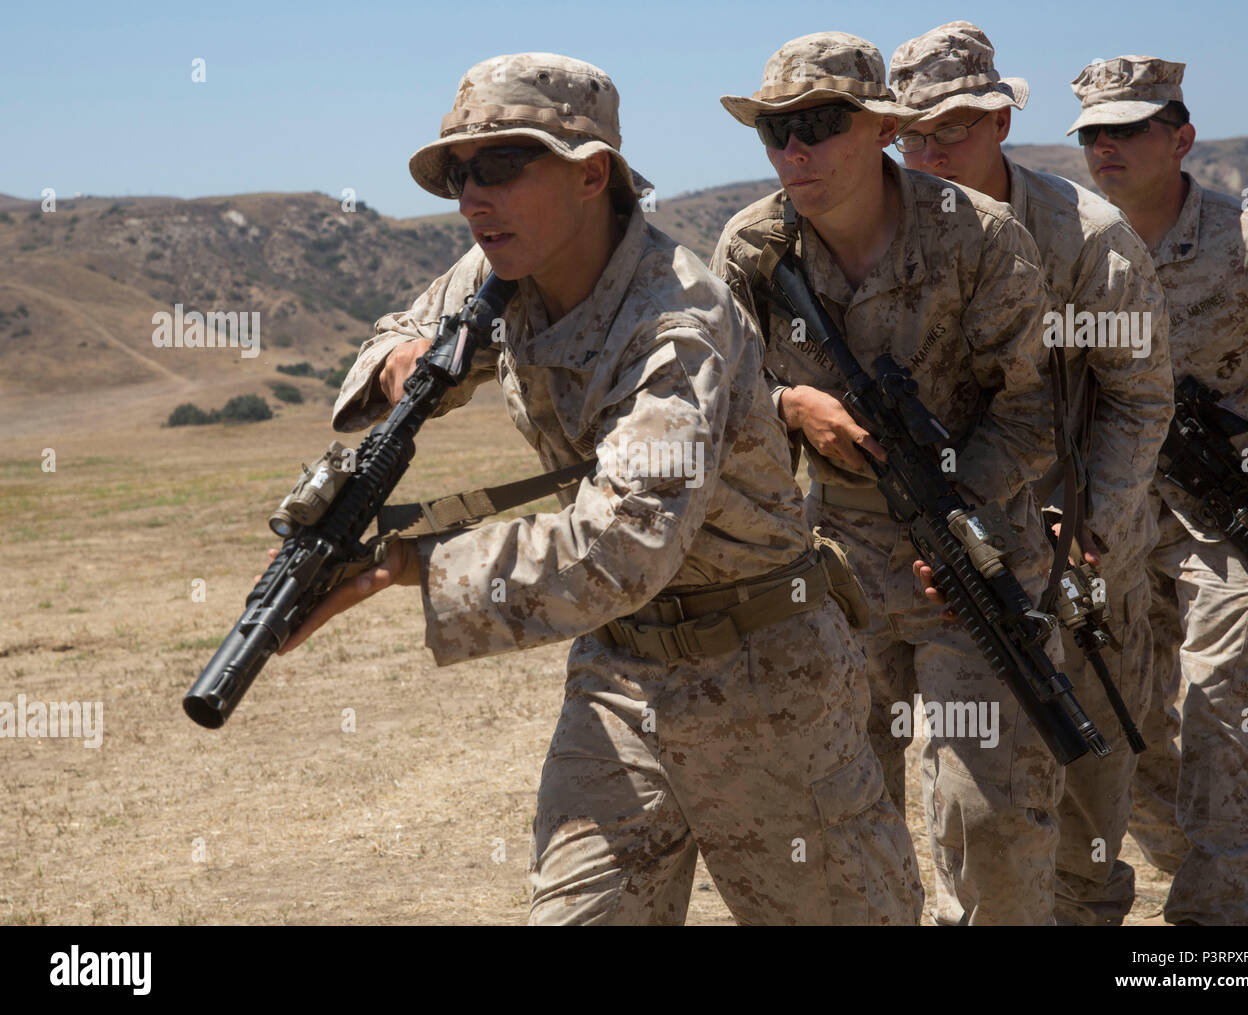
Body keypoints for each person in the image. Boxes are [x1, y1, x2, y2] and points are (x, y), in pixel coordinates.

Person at [275, 51, 922, 926]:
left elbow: (620, 548)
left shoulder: (675, 324)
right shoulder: (502, 269)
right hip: (622, 677)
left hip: (769, 682)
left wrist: (408, 567)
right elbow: (407, 326)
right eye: (458, 174)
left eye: (502, 166)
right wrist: (396, 363)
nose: (472, 198)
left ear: (592, 176)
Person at [711, 31, 1066, 925]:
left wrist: (955, 512)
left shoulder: (982, 238)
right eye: (774, 133)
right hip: (832, 568)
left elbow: (1033, 407)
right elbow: (714, 402)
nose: (793, 153)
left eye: (819, 127)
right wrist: (789, 401)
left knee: (994, 823)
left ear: (879, 128)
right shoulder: (753, 249)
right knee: (836, 822)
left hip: (974, 560)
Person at [889, 21, 1174, 927]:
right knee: (966, 794)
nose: (929, 151)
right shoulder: (877, 232)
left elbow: (1138, 398)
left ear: (1001, 122)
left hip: (1082, 559)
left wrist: (1095, 528)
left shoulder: (1086, 238)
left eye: (952, 130)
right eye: (912, 134)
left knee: (1088, 806)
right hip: (945, 556)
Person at [1070, 54, 1248, 925]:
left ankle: (1210, 935)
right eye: (1093, 133)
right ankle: (1194, 857)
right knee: (1128, 725)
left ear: (1182, 138)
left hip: (1235, 524)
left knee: (1221, 715)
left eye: (1127, 129)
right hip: (1116, 521)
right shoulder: (1071, 249)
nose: (1107, 148)